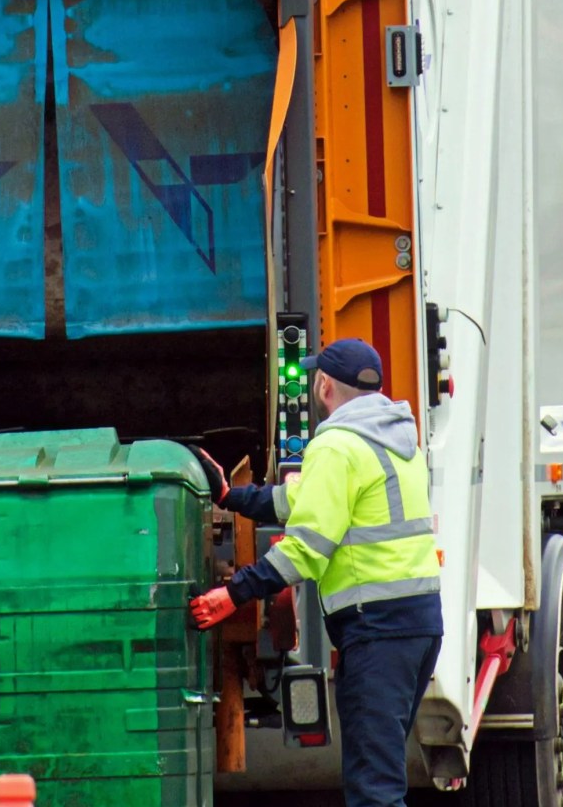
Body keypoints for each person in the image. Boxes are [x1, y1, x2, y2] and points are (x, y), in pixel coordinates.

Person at [187, 339, 443, 807]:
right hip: (418, 626)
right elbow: (303, 499)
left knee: (375, 791)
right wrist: (233, 497)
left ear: (324, 385)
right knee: (379, 775)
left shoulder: (336, 445)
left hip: (377, 631)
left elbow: (307, 550)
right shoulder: (396, 439)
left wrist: (235, 593)